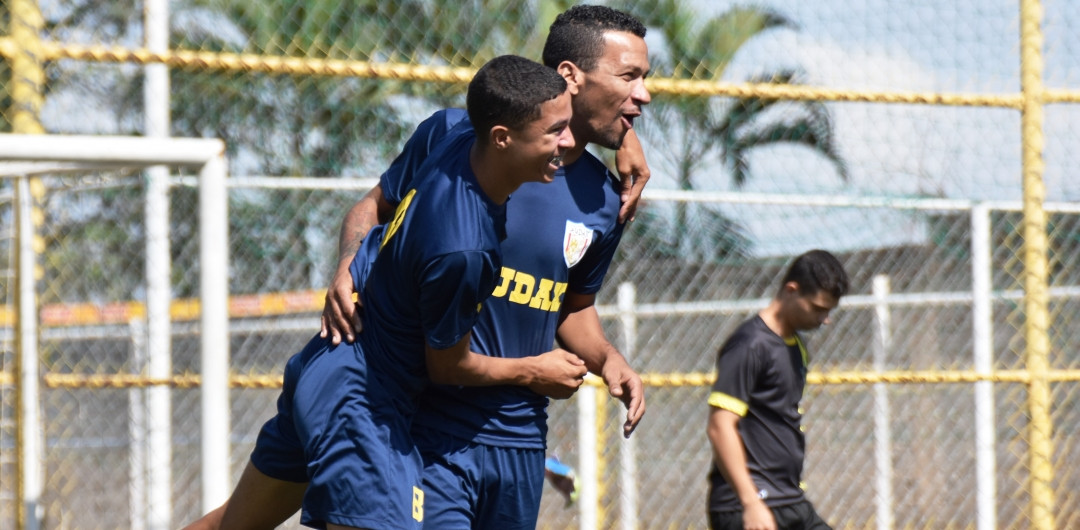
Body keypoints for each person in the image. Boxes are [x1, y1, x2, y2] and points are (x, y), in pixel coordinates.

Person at [184, 5, 651, 530]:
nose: (645, 94)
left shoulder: (610, 199)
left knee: (233, 524)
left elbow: (572, 306)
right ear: (569, 77)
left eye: (646, 78)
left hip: (513, 435)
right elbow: (371, 211)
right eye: (630, 76)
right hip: (418, 419)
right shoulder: (457, 145)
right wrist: (347, 266)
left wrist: (609, 359)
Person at [706, 250, 849, 530]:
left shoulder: (796, 347)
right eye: (819, 308)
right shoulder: (749, 345)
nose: (826, 318)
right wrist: (751, 504)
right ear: (791, 290)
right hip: (748, 506)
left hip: (788, 500)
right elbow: (720, 426)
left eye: (829, 310)